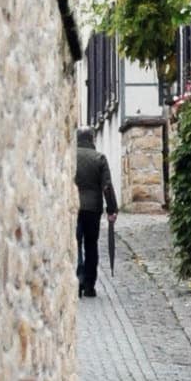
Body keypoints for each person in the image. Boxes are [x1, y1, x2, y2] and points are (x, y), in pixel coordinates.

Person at [75, 127, 117, 298]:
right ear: (92, 139)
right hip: (93, 209)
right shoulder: (99, 158)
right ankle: (89, 285)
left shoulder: (70, 157)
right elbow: (107, 186)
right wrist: (111, 209)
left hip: (74, 207)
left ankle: (78, 277)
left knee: (75, 242)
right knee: (91, 244)